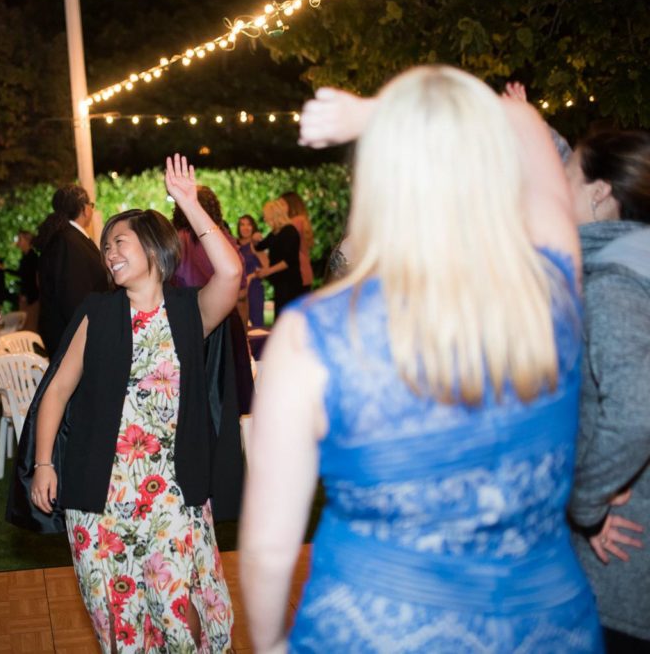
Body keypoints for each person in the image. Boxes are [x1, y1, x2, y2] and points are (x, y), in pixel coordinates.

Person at [240, 67, 602, 652]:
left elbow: (267, 549)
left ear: (378, 181)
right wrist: (379, 111)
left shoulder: (313, 335)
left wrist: (270, 643)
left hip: (371, 632)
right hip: (545, 631)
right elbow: (523, 121)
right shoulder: (555, 291)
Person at [13, 155, 243, 652]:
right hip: (101, 500)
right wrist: (45, 463)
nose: (109, 253)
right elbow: (55, 390)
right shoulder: (97, 313)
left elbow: (231, 271)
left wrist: (188, 205)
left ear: (155, 247)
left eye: (119, 241)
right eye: (106, 246)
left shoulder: (189, 312)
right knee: (121, 628)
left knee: (184, 624)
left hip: (173, 498)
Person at [565, 129, 650, 651]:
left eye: (569, 175)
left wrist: (586, 502)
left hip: (621, 562)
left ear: (599, 193)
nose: (558, 185)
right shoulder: (634, 261)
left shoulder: (614, 282)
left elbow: (638, 409)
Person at [172, 186, 254, 414]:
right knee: (232, 399)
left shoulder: (172, 243)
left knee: (195, 400)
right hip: (227, 322)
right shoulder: (223, 241)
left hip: (189, 325)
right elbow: (241, 292)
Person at [34, 184, 108, 354]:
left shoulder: (67, 237)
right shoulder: (68, 241)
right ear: (84, 209)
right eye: (91, 205)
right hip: (72, 341)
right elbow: (72, 295)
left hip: (71, 335)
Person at [252, 199, 302, 316]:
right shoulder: (275, 233)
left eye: (266, 216)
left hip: (290, 283)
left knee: (285, 316)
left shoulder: (289, 231)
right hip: (280, 283)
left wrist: (267, 271)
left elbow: (288, 261)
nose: (265, 219)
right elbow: (260, 247)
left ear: (273, 215)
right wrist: (254, 240)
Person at [236, 214, 266, 327]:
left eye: (249, 224)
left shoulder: (257, 245)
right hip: (237, 289)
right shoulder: (234, 243)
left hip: (254, 288)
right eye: (242, 224)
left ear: (253, 227)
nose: (245, 228)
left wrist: (252, 276)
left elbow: (266, 267)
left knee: (257, 323)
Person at [279, 191, 314, 289]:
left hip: (298, 274)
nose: (279, 208)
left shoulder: (296, 222)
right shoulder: (301, 220)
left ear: (291, 205)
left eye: (282, 204)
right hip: (302, 272)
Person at [10, 229, 40, 332]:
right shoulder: (26, 257)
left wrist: (25, 295)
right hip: (27, 297)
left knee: (28, 326)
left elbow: (31, 279)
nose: (18, 242)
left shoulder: (32, 257)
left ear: (27, 240)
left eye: (20, 239)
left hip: (31, 299)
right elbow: (22, 275)